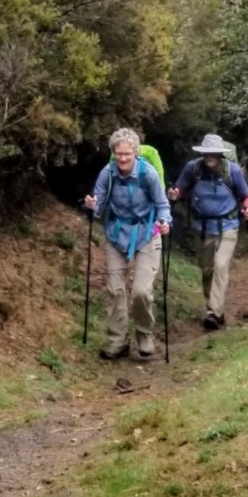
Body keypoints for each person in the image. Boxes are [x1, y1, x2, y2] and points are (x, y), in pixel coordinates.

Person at [82, 127, 171, 360]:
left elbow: (162, 203)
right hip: (116, 233)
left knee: (141, 292)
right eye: (119, 154)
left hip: (147, 233)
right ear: (114, 153)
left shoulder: (148, 174)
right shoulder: (108, 173)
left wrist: (165, 221)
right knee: (115, 289)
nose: (123, 158)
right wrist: (92, 205)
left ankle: (144, 333)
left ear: (135, 153)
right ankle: (117, 340)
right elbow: (99, 204)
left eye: (127, 154)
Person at [170, 133, 248, 331]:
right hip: (202, 228)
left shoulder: (232, 171)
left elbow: (246, 195)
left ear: (220, 155)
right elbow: (179, 189)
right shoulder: (193, 169)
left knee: (220, 265)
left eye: (214, 153)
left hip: (228, 225)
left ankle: (213, 313)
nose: (210, 156)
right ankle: (215, 308)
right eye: (207, 153)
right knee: (207, 270)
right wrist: (175, 194)